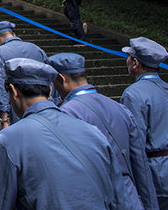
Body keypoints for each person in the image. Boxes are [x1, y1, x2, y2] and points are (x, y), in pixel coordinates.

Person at [0, 58, 132, 210]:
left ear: (13, 91)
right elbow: (120, 199)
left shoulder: (7, 141)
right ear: (50, 90)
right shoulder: (93, 132)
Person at [48, 52, 158, 210]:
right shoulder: (120, 108)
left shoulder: (65, 114)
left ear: (61, 78)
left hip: (96, 197)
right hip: (129, 196)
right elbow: (140, 164)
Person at [120, 37, 168, 210]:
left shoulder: (133, 94)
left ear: (135, 63)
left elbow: (135, 142)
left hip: (163, 177)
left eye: (129, 57)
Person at [0, 21, 47, 127]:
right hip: (43, 102)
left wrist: (4, 116)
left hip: (19, 103)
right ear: (13, 34)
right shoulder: (36, 48)